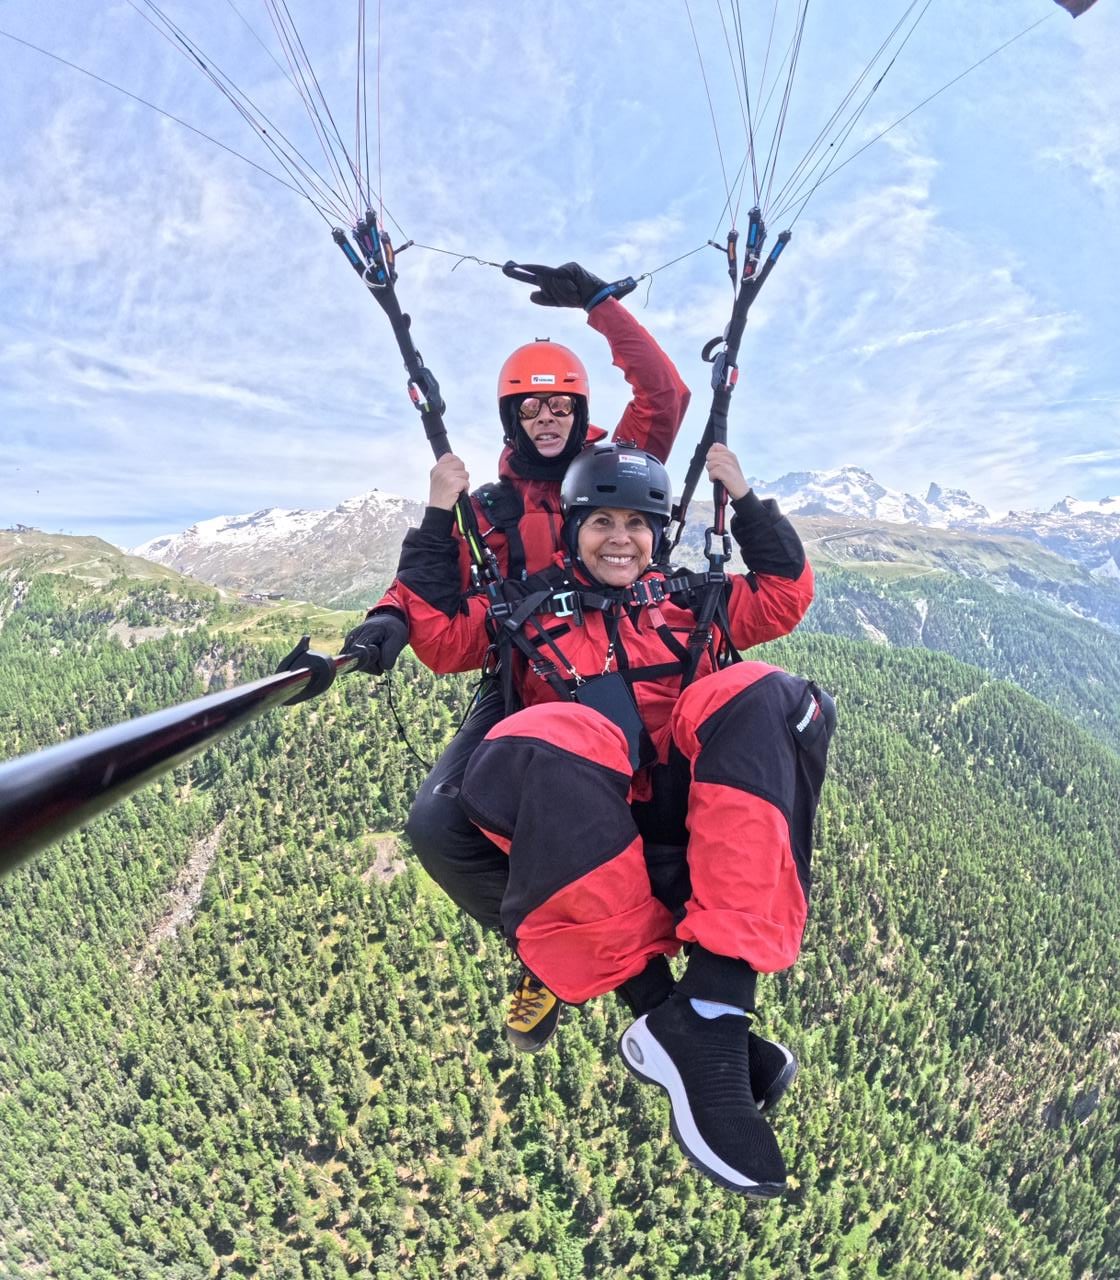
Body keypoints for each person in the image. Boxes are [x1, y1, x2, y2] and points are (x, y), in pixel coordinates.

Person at [388, 440, 834, 1196]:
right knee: (552, 734)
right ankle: (673, 1020)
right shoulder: (522, 616)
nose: (620, 539)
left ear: (659, 535)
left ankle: (719, 1009)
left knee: (768, 691)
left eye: (637, 523)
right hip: (592, 821)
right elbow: (435, 633)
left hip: (693, 817)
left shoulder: (696, 604)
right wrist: (437, 515)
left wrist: (749, 502)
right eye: (600, 522)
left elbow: (787, 595)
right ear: (571, 528)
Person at [345, 262, 691, 1051]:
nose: (546, 417)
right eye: (530, 405)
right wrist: (387, 616)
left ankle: (665, 926)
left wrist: (601, 306)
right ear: (510, 415)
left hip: (620, 658)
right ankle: (547, 946)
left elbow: (666, 396)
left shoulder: (613, 468)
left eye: (561, 405)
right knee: (438, 824)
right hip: (521, 680)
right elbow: (445, 596)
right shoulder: (489, 511)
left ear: (580, 413)